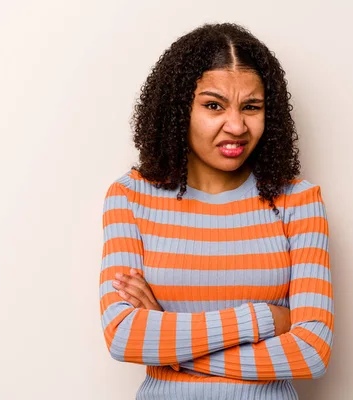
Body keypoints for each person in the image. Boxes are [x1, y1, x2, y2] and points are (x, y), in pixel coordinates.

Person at [99, 22, 333, 399]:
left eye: (251, 107)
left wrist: (168, 341)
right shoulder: (130, 197)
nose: (237, 126)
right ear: (180, 109)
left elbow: (311, 353)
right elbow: (123, 336)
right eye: (213, 105)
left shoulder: (298, 202)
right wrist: (265, 318)